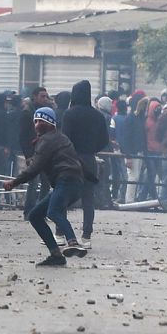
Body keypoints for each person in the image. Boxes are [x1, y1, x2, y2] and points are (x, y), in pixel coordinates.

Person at [3, 107, 88, 266]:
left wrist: (13, 183)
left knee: (54, 211)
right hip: (72, 182)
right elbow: (75, 160)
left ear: (50, 123)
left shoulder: (47, 140)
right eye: (35, 121)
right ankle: (56, 255)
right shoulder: (61, 138)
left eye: (40, 121)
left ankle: (73, 242)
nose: (36, 125)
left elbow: (34, 169)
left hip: (66, 180)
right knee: (35, 216)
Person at [61, 80, 109, 248]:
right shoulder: (98, 115)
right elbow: (104, 140)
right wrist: (91, 148)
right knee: (88, 198)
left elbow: (64, 138)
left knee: (64, 196)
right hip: (89, 159)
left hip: (70, 159)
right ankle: (86, 236)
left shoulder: (69, 114)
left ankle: (61, 234)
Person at [20, 87, 54, 220]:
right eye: (42, 96)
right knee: (33, 184)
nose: (45, 99)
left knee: (46, 183)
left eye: (46, 96)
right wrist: (28, 155)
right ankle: (28, 212)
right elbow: (23, 136)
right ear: (34, 97)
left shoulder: (48, 114)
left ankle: (40, 212)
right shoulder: (28, 113)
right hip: (34, 154)